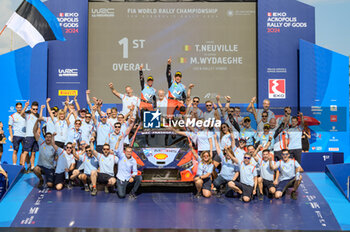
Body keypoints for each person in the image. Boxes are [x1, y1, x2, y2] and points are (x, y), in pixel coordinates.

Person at [32, 118, 57, 189]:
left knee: (50, 185)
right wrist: (37, 121)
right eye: (47, 137)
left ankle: (50, 178)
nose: (48, 138)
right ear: (45, 138)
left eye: (50, 137)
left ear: (51, 138)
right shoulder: (41, 142)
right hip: (41, 167)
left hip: (50, 168)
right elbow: (34, 131)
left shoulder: (54, 147)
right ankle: (41, 179)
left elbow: (56, 158)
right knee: (35, 169)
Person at [21, 101, 40, 172]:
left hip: (35, 137)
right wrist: (25, 106)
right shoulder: (27, 115)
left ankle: (32, 167)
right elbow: (21, 114)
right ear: (31, 109)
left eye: (36, 109)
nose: (35, 110)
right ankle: (22, 167)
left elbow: (38, 127)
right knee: (25, 152)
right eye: (33, 109)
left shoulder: (37, 117)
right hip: (29, 136)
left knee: (33, 152)